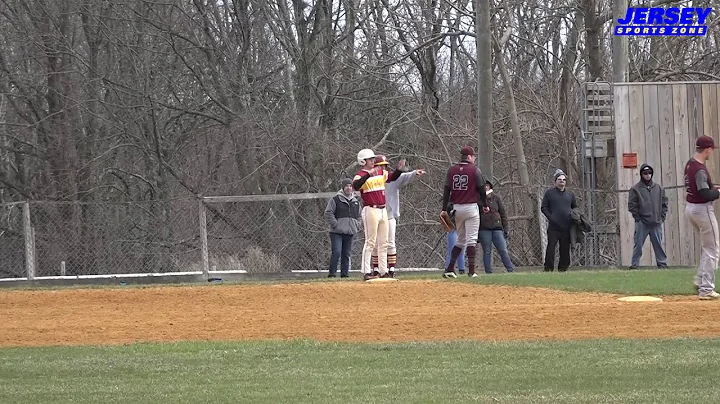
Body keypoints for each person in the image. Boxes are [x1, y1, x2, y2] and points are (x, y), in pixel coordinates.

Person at [370, 155, 425, 278]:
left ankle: (391, 269)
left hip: (389, 215)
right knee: (375, 243)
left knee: (390, 243)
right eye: (381, 165)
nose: (383, 167)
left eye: (384, 165)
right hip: (374, 214)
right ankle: (376, 269)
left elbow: (403, 176)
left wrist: (415, 173)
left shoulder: (391, 178)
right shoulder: (371, 179)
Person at [353, 148, 403, 281]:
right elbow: (356, 186)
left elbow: (392, 177)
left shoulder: (380, 172)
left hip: (382, 210)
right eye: (370, 159)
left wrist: (399, 169)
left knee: (384, 242)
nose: (373, 161)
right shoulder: (361, 175)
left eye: (373, 159)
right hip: (370, 209)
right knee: (370, 242)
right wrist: (368, 175)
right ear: (363, 161)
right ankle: (366, 271)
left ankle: (383, 270)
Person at [441, 145, 489, 278]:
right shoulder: (474, 170)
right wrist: (484, 204)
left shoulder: (451, 170)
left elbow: (446, 190)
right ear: (468, 157)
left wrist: (444, 209)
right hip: (471, 207)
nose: (474, 158)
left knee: (460, 239)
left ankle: (450, 269)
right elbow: (481, 189)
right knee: (471, 240)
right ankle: (471, 271)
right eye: (473, 156)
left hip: (457, 208)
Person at [684, 135, 720, 300]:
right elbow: (704, 193)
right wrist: (717, 192)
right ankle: (706, 288)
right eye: (711, 149)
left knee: (708, 248)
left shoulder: (690, 163)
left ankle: (700, 281)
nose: (712, 152)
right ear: (707, 149)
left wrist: (714, 188)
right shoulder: (699, 169)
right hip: (702, 209)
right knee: (712, 249)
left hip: (691, 208)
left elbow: (702, 187)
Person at [627, 164, 669, 269]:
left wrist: (662, 218)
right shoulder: (635, 189)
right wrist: (637, 218)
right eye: (645, 173)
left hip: (656, 222)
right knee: (638, 245)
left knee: (658, 245)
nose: (648, 175)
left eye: (649, 173)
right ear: (641, 174)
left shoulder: (658, 188)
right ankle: (635, 265)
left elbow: (664, 204)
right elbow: (632, 205)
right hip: (642, 222)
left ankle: (662, 264)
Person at [324, 178, 362, 278]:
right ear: (343, 187)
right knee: (336, 252)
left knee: (346, 254)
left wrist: (357, 224)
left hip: (350, 231)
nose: (349, 188)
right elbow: (328, 212)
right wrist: (335, 224)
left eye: (350, 186)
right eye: (346, 186)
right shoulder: (336, 199)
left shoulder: (356, 202)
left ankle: (344, 274)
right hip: (336, 232)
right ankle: (332, 274)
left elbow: (359, 216)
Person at [541, 169, 577, 272]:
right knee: (551, 248)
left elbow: (575, 208)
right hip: (554, 227)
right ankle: (548, 268)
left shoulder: (570, 194)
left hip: (566, 227)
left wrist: (574, 217)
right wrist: (551, 217)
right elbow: (544, 207)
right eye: (559, 179)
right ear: (555, 181)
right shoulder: (549, 193)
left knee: (565, 249)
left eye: (564, 179)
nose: (562, 181)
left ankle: (563, 268)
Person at [478, 181, 514, 273]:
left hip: (497, 228)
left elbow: (503, 213)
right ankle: (488, 271)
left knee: (503, 250)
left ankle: (510, 269)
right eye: (483, 186)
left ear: (490, 187)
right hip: (484, 229)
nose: (485, 187)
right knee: (487, 251)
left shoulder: (496, 198)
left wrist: (505, 228)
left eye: (487, 186)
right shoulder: (478, 199)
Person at [445, 204, 466, 274]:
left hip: (461, 228)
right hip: (453, 229)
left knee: (461, 251)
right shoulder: (450, 205)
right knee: (451, 250)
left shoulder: (464, 204)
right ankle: (448, 269)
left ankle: (462, 269)